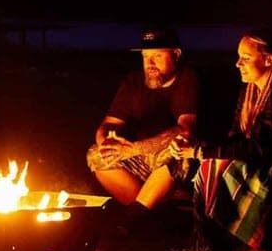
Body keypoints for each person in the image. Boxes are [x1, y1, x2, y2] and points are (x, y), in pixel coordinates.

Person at [170, 25, 272, 251]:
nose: (237, 63)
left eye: (245, 58)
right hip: (258, 157)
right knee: (208, 163)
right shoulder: (249, 93)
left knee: (213, 166)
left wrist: (203, 152)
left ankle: (221, 243)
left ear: (269, 60)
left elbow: (262, 148)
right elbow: (236, 137)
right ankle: (210, 241)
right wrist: (198, 148)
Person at [86, 25, 200, 231]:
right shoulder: (133, 81)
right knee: (96, 155)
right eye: (146, 56)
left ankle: (131, 221)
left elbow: (184, 130)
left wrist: (134, 149)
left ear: (176, 54)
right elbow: (108, 123)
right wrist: (106, 143)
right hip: (139, 158)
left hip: (171, 157)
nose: (150, 63)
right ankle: (153, 216)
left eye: (157, 55)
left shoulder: (188, 79)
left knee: (175, 151)